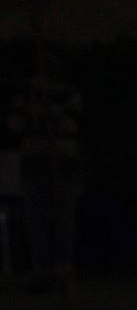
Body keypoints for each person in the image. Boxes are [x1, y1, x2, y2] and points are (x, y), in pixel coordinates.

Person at [7, 46, 83, 295]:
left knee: (63, 218)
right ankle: (41, 270)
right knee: (36, 219)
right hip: (35, 164)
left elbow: (70, 125)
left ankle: (64, 269)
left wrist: (46, 115)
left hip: (62, 164)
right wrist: (34, 113)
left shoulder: (69, 93)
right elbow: (15, 124)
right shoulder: (27, 95)